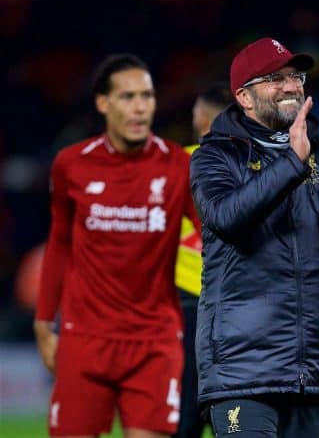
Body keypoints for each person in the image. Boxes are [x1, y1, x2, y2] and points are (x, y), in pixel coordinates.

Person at [190, 37, 319, 437]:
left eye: (296, 77)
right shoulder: (215, 156)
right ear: (244, 98)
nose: (291, 86)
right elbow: (227, 218)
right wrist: (291, 163)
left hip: (310, 368)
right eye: (274, 78)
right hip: (242, 370)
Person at [33, 53, 201, 438]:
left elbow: (216, 239)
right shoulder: (71, 165)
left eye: (147, 96)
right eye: (127, 97)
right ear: (103, 103)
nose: (140, 107)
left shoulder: (178, 166)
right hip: (85, 340)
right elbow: (59, 246)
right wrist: (44, 324)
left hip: (154, 342)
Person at [173, 82, 230, 438]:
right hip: (235, 306)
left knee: (186, 413)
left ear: (201, 117)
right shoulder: (251, 165)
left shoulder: (178, 163)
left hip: (188, 305)